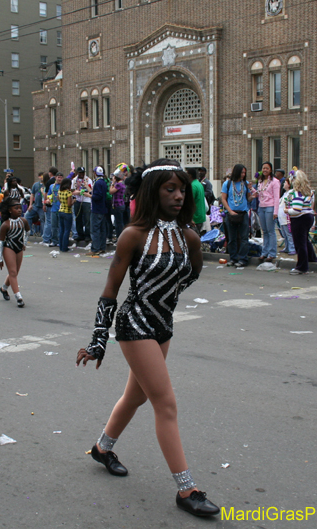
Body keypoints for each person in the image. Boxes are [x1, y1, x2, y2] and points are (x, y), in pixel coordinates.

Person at [75, 158, 219, 518]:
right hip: (134, 323)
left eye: (181, 189)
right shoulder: (133, 235)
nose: (178, 195)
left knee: (135, 396)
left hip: (162, 325)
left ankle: (102, 449)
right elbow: (111, 290)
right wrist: (98, 339)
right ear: (153, 193)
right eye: (169, 189)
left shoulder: (189, 237)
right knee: (165, 404)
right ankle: (187, 490)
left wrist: (164, 296)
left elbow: (192, 275)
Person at [0, 197, 30, 308]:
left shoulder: (23, 221)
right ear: (10, 210)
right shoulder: (5, 224)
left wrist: (24, 243)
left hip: (19, 248)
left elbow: (28, 232)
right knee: (13, 273)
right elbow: (0, 243)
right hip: (9, 248)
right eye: (16, 208)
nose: (19, 210)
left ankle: (3, 288)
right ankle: (18, 297)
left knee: (14, 273)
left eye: (20, 208)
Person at [221, 164, 255, 267]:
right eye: (241, 172)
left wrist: (253, 196)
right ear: (236, 172)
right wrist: (230, 211)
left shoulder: (245, 184)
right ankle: (233, 258)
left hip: (243, 213)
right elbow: (223, 199)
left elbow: (248, 198)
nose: (243, 175)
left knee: (244, 238)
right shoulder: (227, 184)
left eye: (244, 173)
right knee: (232, 238)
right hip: (231, 214)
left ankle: (243, 259)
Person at [284, 171, 316, 275]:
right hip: (308, 217)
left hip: (299, 218)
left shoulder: (297, 193)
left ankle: (302, 267)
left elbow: (296, 209)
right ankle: (312, 258)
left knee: (299, 243)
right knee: (305, 240)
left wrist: (287, 210)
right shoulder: (308, 192)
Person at [256, 162, 280, 264]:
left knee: (271, 231)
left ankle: (272, 253)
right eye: (263, 168)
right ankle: (264, 252)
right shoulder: (261, 181)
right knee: (264, 231)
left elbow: (276, 197)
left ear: (270, 170)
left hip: (270, 207)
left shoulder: (275, 182)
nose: (265, 170)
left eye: (267, 168)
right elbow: (259, 194)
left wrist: (275, 211)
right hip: (261, 207)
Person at [274, 169, 295, 254]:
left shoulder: (290, 193)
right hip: (282, 218)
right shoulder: (285, 193)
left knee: (289, 234)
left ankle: (292, 248)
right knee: (285, 234)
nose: (284, 184)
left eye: (286, 183)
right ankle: (287, 247)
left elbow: (288, 204)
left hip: (286, 218)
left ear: (289, 185)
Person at [89, 167, 109, 255]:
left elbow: (97, 196)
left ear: (95, 173)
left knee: (95, 229)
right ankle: (102, 247)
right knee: (102, 229)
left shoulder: (97, 183)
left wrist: (89, 195)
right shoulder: (104, 182)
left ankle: (95, 249)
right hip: (103, 208)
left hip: (96, 209)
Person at [72, 166, 93, 244]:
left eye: (83, 173)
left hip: (86, 201)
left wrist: (84, 191)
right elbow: (72, 191)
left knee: (87, 218)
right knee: (78, 217)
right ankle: (80, 234)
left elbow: (91, 191)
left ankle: (87, 235)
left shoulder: (88, 180)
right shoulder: (74, 180)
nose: (81, 174)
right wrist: (76, 193)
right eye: (80, 173)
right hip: (78, 200)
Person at [42, 169, 63, 246]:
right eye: (58, 177)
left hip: (61, 208)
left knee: (60, 226)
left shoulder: (64, 186)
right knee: (53, 226)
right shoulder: (52, 186)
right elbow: (48, 196)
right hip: (53, 208)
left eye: (61, 177)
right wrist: (47, 201)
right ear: (56, 178)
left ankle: (60, 241)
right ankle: (54, 241)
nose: (59, 179)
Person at [110, 165, 129, 240]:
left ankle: (120, 238)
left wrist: (112, 183)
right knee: (120, 222)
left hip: (118, 205)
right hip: (121, 204)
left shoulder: (118, 184)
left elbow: (111, 191)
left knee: (118, 223)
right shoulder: (123, 184)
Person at [187, 167, 207, 235]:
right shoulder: (199, 184)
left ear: (189, 175)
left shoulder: (193, 186)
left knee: (192, 240)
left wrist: (189, 218)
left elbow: (189, 202)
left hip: (195, 217)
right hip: (200, 216)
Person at [25, 172, 46, 237]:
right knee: (27, 215)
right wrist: (30, 204)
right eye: (40, 176)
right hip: (35, 205)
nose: (41, 177)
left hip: (42, 206)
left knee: (43, 219)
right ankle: (30, 232)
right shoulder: (35, 185)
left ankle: (43, 234)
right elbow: (32, 195)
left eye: (42, 176)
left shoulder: (46, 185)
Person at [57, 178, 74, 252]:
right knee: (67, 230)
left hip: (61, 211)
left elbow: (59, 200)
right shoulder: (68, 193)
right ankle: (65, 247)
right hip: (67, 212)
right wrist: (74, 201)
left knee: (62, 230)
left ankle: (60, 246)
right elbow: (69, 204)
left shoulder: (59, 191)